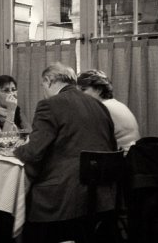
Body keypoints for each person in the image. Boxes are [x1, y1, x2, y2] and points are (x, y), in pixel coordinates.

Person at [13, 62, 117, 243]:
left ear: (48, 80)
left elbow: (34, 152)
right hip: (101, 197)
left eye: (42, 85)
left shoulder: (50, 105)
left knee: (22, 204)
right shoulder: (99, 106)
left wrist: (15, 151)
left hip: (63, 199)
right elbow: (111, 147)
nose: (43, 90)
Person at [77, 69, 141, 153]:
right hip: (132, 157)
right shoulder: (117, 104)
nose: (79, 95)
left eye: (83, 90)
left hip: (121, 159)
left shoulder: (101, 108)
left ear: (98, 89)